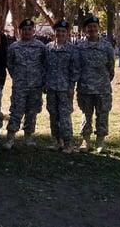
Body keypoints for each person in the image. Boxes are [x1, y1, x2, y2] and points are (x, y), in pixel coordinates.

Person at [3, 19, 47, 150]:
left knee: (32, 112)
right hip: (20, 86)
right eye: (24, 30)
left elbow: (45, 64)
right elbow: (9, 65)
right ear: (20, 31)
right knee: (16, 111)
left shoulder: (41, 47)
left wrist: (42, 81)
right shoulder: (14, 47)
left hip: (36, 86)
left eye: (29, 29)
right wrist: (17, 77)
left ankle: (28, 137)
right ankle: (10, 138)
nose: (27, 32)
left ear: (33, 31)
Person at [77, 15, 115, 153]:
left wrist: (103, 81)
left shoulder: (106, 46)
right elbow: (77, 66)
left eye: (94, 26)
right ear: (85, 29)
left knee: (103, 114)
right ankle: (85, 141)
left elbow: (111, 67)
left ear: (98, 28)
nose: (92, 29)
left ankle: (100, 142)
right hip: (85, 88)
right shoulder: (80, 46)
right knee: (86, 115)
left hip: (102, 88)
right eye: (89, 27)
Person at [44, 20, 80, 153]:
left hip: (65, 89)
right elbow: (44, 67)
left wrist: (72, 87)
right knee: (53, 115)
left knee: (65, 116)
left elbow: (75, 70)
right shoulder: (48, 48)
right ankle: (56, 141)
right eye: (58, 31)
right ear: (55, 32)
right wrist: (45, 83)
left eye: (63, 31)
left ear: (67, 33)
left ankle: (68, 143)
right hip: (51, 88)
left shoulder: (72, 49)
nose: (60, 33)